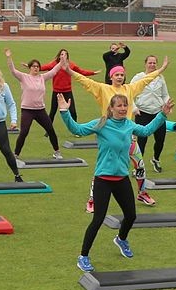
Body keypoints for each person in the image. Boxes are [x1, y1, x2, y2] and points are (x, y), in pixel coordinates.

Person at [59, 92, 171, 272]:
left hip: (122, 178)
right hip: (103, 178)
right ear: (111, 108)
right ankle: (83, 256)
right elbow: (77, 130)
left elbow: (147, 130)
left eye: (125, 105)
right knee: (98, 219)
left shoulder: (129, 125)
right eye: (118, 106)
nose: (123, 108)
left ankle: (121, 239)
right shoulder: (102, 123)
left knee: (131, 215)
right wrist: (65, 112)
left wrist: (162, 114)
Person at [66, 57, 169, 208]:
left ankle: (142, 193)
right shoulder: (103, 89)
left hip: (127, 135)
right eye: (117, 75)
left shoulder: (130, 89)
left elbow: (146, 80)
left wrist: (161, 69)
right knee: (102, 169)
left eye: (122, 75)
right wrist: (69, 71)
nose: (120, 77)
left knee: (139, 165)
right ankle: (92, 199)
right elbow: (86, 82)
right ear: (111, 76)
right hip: (108, 135)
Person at [5, 50, 65, 161]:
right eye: (33, 66)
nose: (36, 68)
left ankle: (57, 152)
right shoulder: (23, 77)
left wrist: (62, 60)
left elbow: (54, 70)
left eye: (37, 66)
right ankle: (16, 155)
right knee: (24, 132)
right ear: (30, 68)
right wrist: (9, 57)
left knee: (50, 130)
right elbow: (13, 70)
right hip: (27, 110)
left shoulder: (42, 77)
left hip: (40, 110)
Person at [131, 55, 172, 173]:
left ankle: (156, 159)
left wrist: (167, 104)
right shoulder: (139, 77)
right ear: (145, 64)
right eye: (150, 63)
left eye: (154, 63)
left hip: (158, 113)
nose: (152, 65)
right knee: (142, 141)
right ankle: (138, 166)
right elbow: (129, 93)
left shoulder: (160, 78)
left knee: (160, 139)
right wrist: (134, 108)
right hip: (142, 112)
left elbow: (165, 95)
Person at [41, 48, 96, 121]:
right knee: (52, 112)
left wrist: (92, 73)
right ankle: (48, 130)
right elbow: (44, 67)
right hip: (57, 92)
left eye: (65, 54)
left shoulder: (71, 64)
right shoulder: (54, 64)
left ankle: (76, 128)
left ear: (67, 56)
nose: (63, 56)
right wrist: (30, 66)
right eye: (62, 54)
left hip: (68, 91)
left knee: (73, 112)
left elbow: (81, 71)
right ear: (59, 56)